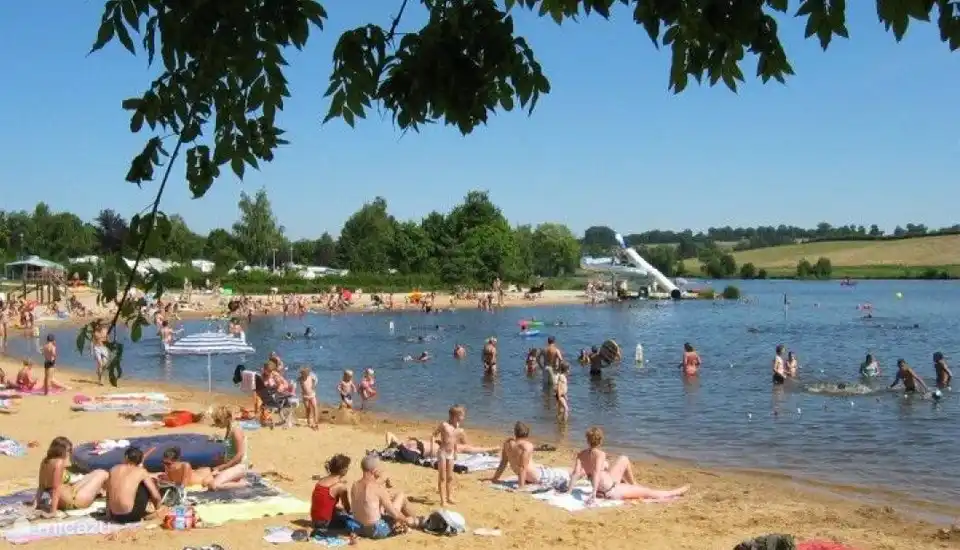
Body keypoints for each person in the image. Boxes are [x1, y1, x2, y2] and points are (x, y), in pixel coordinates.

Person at [566, 426, 689, 502]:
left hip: (605, 486)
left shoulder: (581, 454)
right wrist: (593, 495)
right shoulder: (600, 454)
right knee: (648, 492)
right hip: (610, 491)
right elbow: (597, 472)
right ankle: (673, 493)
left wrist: (569, 492)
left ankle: (633, 484)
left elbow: (576, 473)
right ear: (600, 440)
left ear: (587, 440)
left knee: (623, 459)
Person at [33, 437, 109, 516]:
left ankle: (102, 492)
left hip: (67, 496)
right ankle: (110, 506)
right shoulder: (59, 462)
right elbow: (56, 488)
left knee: (96, 472)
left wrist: (35, 504)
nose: (70, 453)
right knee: (103, 473)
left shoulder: (45, 461)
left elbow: (41, 486)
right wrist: (53, 512)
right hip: (73, 501)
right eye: (69, 450)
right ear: (60, 450)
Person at [350, 454, 421, 539]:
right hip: (376, 530)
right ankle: (417, 521)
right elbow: (394, 514)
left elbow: (368, 504)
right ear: (375, 470)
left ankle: (414, 520)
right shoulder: (377, 488)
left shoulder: (355, 485)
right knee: (401, 500)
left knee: (398, 497)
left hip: (359, 528)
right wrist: (407, 520)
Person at [488, 421, 569, 490]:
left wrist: (495, 478)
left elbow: (503, 462)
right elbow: (522, 467)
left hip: (528, 477)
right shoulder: (527, 446)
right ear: (527, 433)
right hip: (536, 477)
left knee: (550, 468)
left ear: (515, 432)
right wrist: (521, 487)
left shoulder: (507, 443)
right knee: (567, 471)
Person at [105, 447, 165, 523]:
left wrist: (108, 513)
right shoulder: (141, 471)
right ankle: (156, 512)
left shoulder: (113, 469)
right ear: (140, 461)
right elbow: (156, 496)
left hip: (114, 515)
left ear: (126, 457)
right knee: (146, 484)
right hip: (131, 516)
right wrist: (159, 509)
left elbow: (108, 492)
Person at [208, 406, 250, 490]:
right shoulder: (229, 429)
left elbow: (240, 454)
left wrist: (224, 466)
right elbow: (231, 451)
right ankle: (234, 480)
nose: (216, 424)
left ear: (226, 419)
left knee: (213, 485)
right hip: (231, 466)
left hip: (239, 466)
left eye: (218, 421)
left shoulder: (236, 430)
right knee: (206, 481)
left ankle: (244, 484)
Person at [433, 405, 466, 506]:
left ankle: (449, 497)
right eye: (462, 415)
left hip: (450, 454)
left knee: (450, 477)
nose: (463, 417)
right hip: (442, 452)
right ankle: (443, 500)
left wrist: (455, 451)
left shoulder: (458, 427)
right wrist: (433, 445)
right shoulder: (444, 425)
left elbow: (455, 440)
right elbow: (434, 434)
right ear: (455, 416)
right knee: (442, 477)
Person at [311, 454, 352, 529]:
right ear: (343, 470)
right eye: (347, 467)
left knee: (338, 510)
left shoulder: (322, 480)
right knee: (349, 519)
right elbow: (347, 507)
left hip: (314, 520)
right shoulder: (340, 486)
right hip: (324, 523)